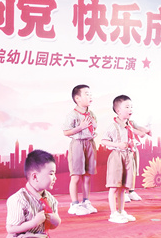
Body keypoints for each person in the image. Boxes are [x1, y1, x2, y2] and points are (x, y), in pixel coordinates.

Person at [6, 150, 61, 238]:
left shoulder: (50, 199)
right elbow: (11, 229)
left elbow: (54, 225)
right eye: (51, 173)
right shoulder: (18, 199)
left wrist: (55, 219)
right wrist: (34, 222)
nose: (55, 177)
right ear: (35, 176)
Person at [100, 95, 149, 223]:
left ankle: (121, 211)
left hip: (128, 155)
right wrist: (117, 145)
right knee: (114, 186)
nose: (130, 109)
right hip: (117, 156)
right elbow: (103, 140)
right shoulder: (113, 126)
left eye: (131, 107)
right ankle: (113, 213)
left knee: (123, 187)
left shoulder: (130, 125)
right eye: (127, 107)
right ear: (118, 110)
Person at [62, 85, 97, 216]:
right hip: (78, 145)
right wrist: (80, 127)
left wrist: (92, 131)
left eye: (90, 94)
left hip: (89, 144)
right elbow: (66, 132)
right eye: (87, 94)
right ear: (77, 98)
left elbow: (94, 126)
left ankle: (86, 201)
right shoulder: (72, 115)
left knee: (87, 175)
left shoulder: (91, 113)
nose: (90, 96)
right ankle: (74, 204)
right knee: (76, 175)